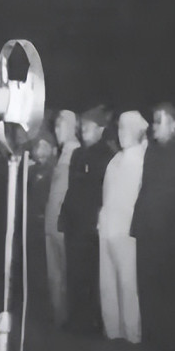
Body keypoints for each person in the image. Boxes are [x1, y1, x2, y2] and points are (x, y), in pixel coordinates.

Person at [131, 102, 175, 351]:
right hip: (147, 231)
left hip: (170, 237)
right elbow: (146, 189)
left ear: (173, 124)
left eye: (159, 121)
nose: (154, 126)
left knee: (169, 290)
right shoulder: (152, 151)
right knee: (147, 287)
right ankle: (151, 340)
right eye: (154, 120)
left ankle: (170, 344)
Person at [58, 105, 115, 336]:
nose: (83, 130)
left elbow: (105, 192)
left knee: (90, 275)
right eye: (82, 126)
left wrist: (96, 220)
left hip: (91, 226)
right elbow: (71, 188)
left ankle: (91, 322)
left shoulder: (107, 156)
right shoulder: (78, 154)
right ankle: (75, 319)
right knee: (73, 273)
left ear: (100, 129)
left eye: (88, 126)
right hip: (74, 224)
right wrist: (64, 216)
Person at [97, 111, 148, 343]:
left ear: (138, 132)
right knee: (108, 283)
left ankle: (132, 333)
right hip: (107, 227)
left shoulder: (142, 159)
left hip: (126, 230)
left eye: (127, 129)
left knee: (128, 284)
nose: (122, 133)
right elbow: (107, 194)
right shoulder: (115, 160)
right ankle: (112, 330)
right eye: (120, 128)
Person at [44, 110, 80, 327]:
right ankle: (58, 316)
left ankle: (66, 317)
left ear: (72, 127)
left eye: (61, 126)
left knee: (65, 271)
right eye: (56, 126)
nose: (57, 131)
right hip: (52, 222)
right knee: (54, 273)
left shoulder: (75, 152)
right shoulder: (61, 153)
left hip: (63, 223)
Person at [27, 132, 56, 323]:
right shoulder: (29, 171)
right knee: (34, 266)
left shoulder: (54, 171)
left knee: (48, 268)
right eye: (38, 146)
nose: (40, 151)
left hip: (46, 224)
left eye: (45, 146)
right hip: (31, 225)